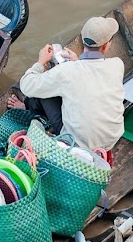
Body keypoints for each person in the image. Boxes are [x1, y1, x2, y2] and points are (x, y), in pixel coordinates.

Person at [7, 17, 125, 150]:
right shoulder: (117, 64)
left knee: (44, 91)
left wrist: (41, 62)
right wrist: (77, 61)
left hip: (78, 144)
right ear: (106, 45)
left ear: (81, 36)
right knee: (65, 88)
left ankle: (28, 107)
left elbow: (26, 86)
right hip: (112, 138)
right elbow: (93, 74)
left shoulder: (67, 71)